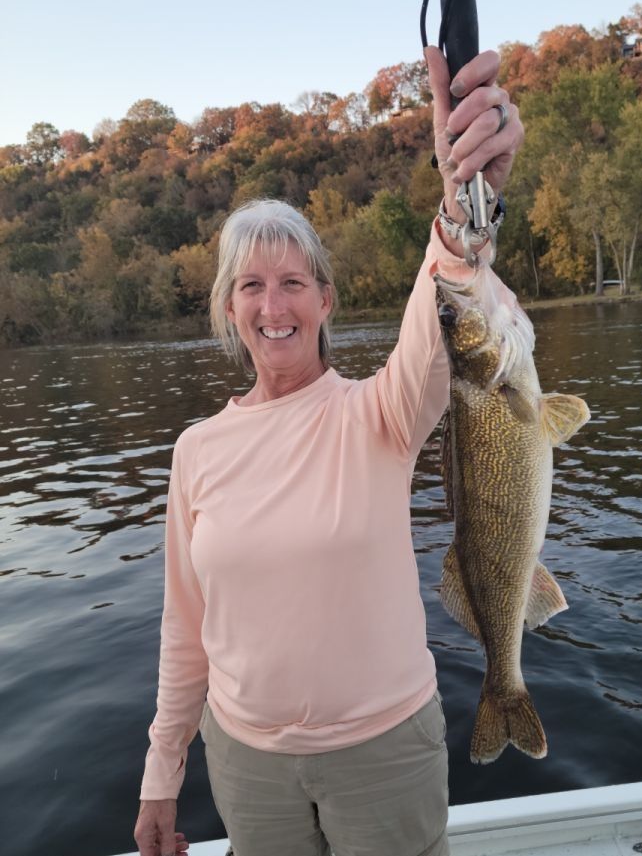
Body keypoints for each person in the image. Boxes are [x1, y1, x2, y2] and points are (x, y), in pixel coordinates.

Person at [134, 46, 524, 856]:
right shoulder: (196, 451)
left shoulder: (380, 411)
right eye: (251, 285)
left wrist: (466, 197)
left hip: (383, 754)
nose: (273, 304)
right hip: (246, 763)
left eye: (292, 283)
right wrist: (162, 771)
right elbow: (186, 627)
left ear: (325, 300)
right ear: (228, 308)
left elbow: (442, 295)